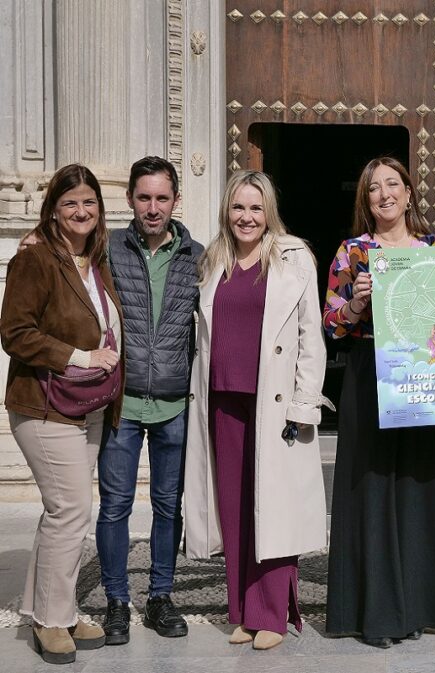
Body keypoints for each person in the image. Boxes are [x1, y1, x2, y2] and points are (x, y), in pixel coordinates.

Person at [183, 170, 331, 651]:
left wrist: (305, 401)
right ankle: (243, 611)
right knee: (236, 507)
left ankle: (271, 612)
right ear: (226, 211)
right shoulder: (213, 261)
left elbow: (312, 334)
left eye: (256, 207)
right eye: (238, 208)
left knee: (275, 506)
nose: (246, 217)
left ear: (269, 211)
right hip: (222, 399)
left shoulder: (293, 259)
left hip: (274, 402)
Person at [323, 157, 435, 648]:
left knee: (418, 484)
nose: (384, 195)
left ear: (408, 193)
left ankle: (420, 605)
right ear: (367, 200)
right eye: (374, 188)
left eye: (392, 185)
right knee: (371, 486)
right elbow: (332, 321)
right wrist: (356, 302)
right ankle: (373, 611)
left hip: (423, 374)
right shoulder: (352, 252)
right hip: (368, 372)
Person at [0, 164, 121, 664]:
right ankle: (52, 622)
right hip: (46, 405)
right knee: (70, 511)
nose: (81, 211)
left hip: (87, 405)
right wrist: (81, 356)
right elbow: (15, 333)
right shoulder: (35, 258)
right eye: (70, 202)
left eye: (89, 202)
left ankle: (53, 609)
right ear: (52, 208)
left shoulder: (94, 259)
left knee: (62, 512)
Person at [95, 156, 202, 644]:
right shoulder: (108, 247)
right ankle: (117, 602)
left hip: (174, 403)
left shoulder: (196, 255)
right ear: (130, 200)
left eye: (162, 198)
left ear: (176, 200)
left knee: (167, 505)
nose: (153, 207)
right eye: (144, 197)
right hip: (122, 402)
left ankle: (161, 597)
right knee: (115, 506)